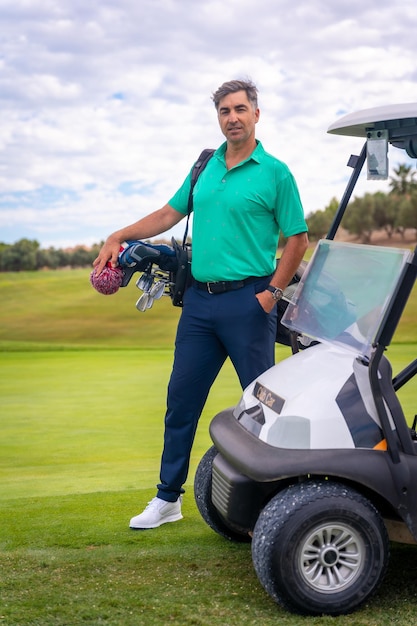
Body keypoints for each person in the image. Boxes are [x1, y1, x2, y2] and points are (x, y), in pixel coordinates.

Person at [93, 79, 308, 529]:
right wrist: (118, 235)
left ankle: (282, 498)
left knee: (262, 408)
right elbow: (168, 215)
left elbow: (297, 238)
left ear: (255, 114)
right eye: (224, 111)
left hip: (249, 304)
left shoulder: (275, 172)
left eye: (240, 109)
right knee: (181, 401)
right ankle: (167, 499)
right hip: (198, 305)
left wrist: (271, 294)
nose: (232, 117)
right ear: (219, 117)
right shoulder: (204, 167)